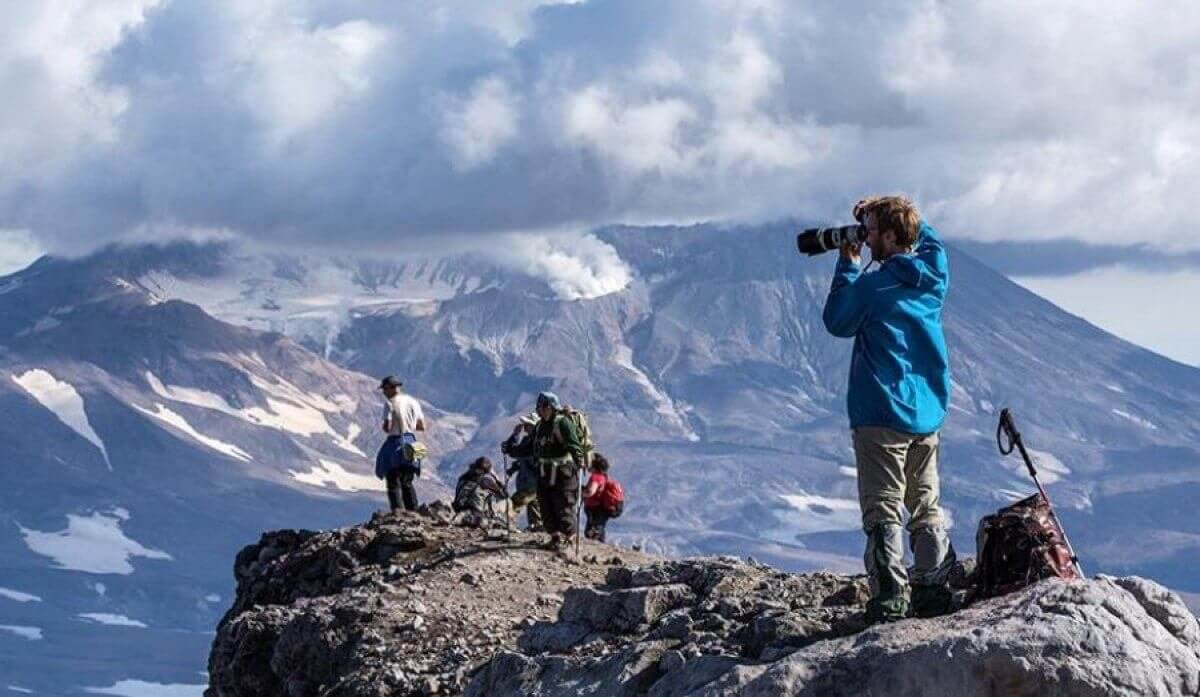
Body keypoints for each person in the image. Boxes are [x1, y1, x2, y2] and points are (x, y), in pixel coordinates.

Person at [821, 195, 957, 623]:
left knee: (883, 510)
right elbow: (930, 241)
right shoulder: (934, 276)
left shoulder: (875, 287)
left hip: (881, 412)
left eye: (873, 230)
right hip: (927, 412)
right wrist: (892, 210)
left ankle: (891, 599)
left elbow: (837, 321)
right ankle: (933, 591)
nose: (867, 236)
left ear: (891, 236)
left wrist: (847, 261)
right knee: (926, 504)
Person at [501, 391, 584, 552]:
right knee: (546, 506)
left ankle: (568, 540)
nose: (539, 410)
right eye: (538, 407)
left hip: (563, 472)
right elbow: (528, 448)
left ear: (551, 407)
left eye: (542, 407)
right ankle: (555, 538)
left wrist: (579, 459)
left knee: (563, 505)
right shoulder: (540, 426)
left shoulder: (562, 423)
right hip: (544, 471)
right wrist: (510, 449)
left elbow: (573, 444)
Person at [373, 375, 427, 513]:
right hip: (411, 440)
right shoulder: (414, 402)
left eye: (384, 389)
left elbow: (388, 427)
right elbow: (422, 426)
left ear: (390, 388)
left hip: (395, 441)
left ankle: (397, 510)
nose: (384, 393)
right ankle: (413, 510)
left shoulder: (390, 403)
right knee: (407, 480)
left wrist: (388, 425)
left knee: (392, 478)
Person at [504, 414, 544, 531]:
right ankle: (537, 528)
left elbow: (515, 452)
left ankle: (505, 522)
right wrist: (513, 469)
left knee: (514, 503)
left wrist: (515, 436)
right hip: (531, 482)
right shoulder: (528, 440)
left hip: (532, 484)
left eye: (528, 425)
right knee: (534, 507)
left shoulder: (535, 442)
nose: (525, 427)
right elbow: (521, 458)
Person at [452, 456, 507, 525]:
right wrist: (498, 481)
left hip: (459, 508)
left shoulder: (464, 477)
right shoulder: (485, 479)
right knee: (502, 501)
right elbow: (503, 495)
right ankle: (490, 516)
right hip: (476, 511)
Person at [582, 453, 615, 542]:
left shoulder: (596, 477)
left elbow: (590, 492)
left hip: (595, 508)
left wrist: (581, 493)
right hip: (601, 508)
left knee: (591, 532)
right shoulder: (603, 477)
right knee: (599, 529)